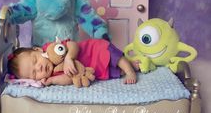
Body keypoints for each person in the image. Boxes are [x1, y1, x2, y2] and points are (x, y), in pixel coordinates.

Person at [8, 39, 137, 86]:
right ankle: (132, 65)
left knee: (115, 57)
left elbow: (73, 45)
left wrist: (69, 58)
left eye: (35, 60)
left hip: (93, 50)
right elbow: (69, 79)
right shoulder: (52, 74)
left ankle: (130, 72)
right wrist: (52, 81)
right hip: (94, 68)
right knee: (114, 71)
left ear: (37, 50)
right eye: (34, 73)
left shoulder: (51, 48)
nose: (39, 68)